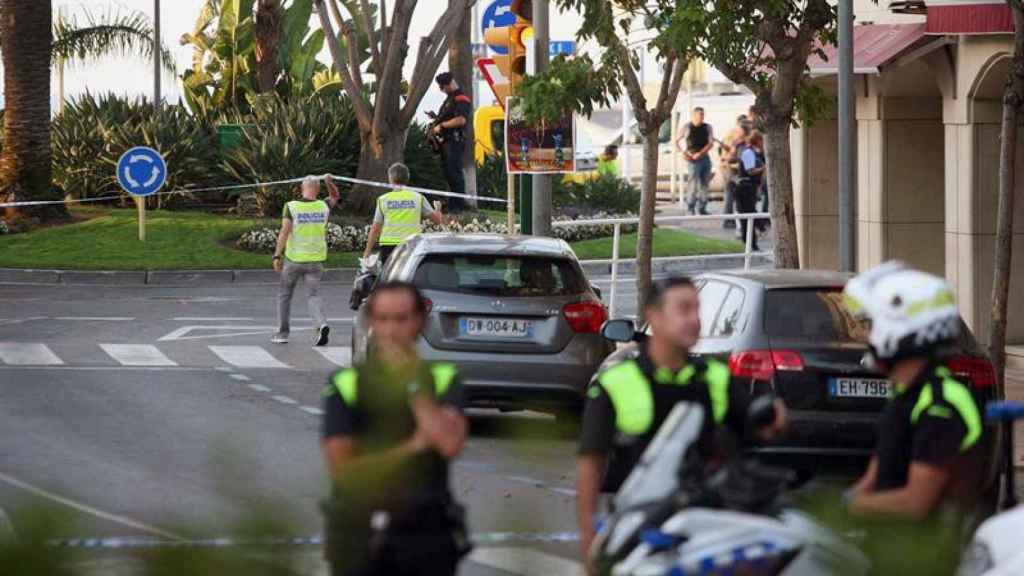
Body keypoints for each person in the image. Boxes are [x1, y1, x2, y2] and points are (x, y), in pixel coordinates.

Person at [576, 277, 788, 570]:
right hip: (637, 523)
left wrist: (773, 416)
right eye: (684, 310)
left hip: (705, 525)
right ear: (655, 317)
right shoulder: (615, 382)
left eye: (697, 310)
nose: (695, 320)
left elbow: (757, 423)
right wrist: (589, 536)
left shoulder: (715, 377)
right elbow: (591, 460)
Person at [321, 281, 470, 576]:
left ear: (418, 321)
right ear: (371, 322)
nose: (391, 330)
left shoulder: (443, 378)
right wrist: (412, 447)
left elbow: (449, 443)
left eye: (401, 319)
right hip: (358, 531)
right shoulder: (346, 384)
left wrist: (412, 381)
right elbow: (345, 471)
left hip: (426, 532)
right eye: (383, 319)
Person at [843, 262, 985, 521]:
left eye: (875, 326)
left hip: (931, 556)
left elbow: (915, 504)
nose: (869, 337)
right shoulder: (904, 395)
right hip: (890, 547)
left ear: (900, 330)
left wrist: (847, 508)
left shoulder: (941, 403)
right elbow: (878, 473)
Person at [272, 175, 340, 346]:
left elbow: (284, 232)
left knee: (285, 295)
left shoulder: (291, 207)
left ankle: (282, 334)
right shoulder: (323, 206)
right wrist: (329, 182)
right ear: (317, 189)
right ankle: (321, 324)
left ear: (303, 188)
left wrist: (277, 255)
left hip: (294, 259)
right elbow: (335, 196)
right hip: (315, 260)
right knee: (313, 296)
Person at [363, 163, 445, 266]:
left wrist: (367, 251)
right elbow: (438, 220)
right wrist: (438, 209)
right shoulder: (418, 197)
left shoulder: (383, 199)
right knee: (408, 277)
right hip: (411, 244)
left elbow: (376, 227)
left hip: (389, 245)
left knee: (389, 278)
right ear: (407, 178)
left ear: (390, 178)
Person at [433, 72, 472, 214]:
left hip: (454, 141)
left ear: (449, 84)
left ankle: (458, 206)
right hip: (446, 142)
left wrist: (442, 126)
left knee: (454, 173)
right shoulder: (450, 98)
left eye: (442, 87)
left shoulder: (461, 99)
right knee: (449, 173)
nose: (441, 90)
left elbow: (461, 120)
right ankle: (453, 204)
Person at [676, 107, 715, 215]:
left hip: (704, 157)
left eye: (703, 115)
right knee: (693, 183)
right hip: (692, 158)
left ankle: (702, 207)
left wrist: (701, 153)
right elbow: (676, 141)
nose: (701, 117)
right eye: (699, 115)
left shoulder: (707, 127)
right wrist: (683, 153)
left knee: (705, 184)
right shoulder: (687, 127)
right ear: (694, 115)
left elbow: (711, 142)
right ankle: (690, 207)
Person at [716, 115, 750, 230]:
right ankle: (730, 220)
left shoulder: (732, 135)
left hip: (729, 167)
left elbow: (722, 150)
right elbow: (732, 155)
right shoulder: (738, 137)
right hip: (731, 168)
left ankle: (730, 220)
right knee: (733, 194)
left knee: (730, 194)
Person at [735, 131, 765, 251]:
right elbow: (750, 171)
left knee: (749, 215)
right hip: (744, 187)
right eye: (761, 141)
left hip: (750, 187)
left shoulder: (756, 153)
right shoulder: (748, 152)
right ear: (757, 141)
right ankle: (754, 236)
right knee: (747, 216)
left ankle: (752, 241)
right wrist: (764, 168)